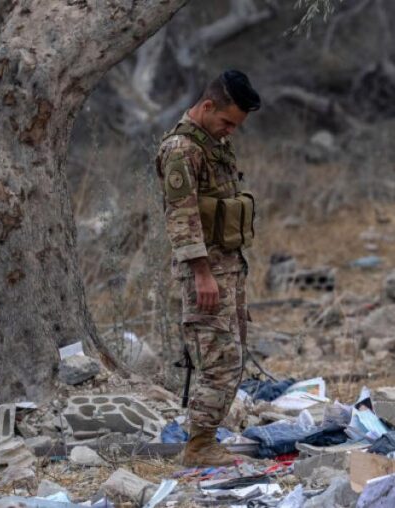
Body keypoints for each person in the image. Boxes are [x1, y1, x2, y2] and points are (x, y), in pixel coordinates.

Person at [155, 70, 261, 466]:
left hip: (227, 268)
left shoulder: (212, 144)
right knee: (220, 360)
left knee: (233, 356)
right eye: (227, 122)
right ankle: (198, 447)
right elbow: (181, 218)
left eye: (236, 126)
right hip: (205, 273)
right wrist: (202, 273)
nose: (230, 131)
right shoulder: (182, 149)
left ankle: (207, 440)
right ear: (207, 106)